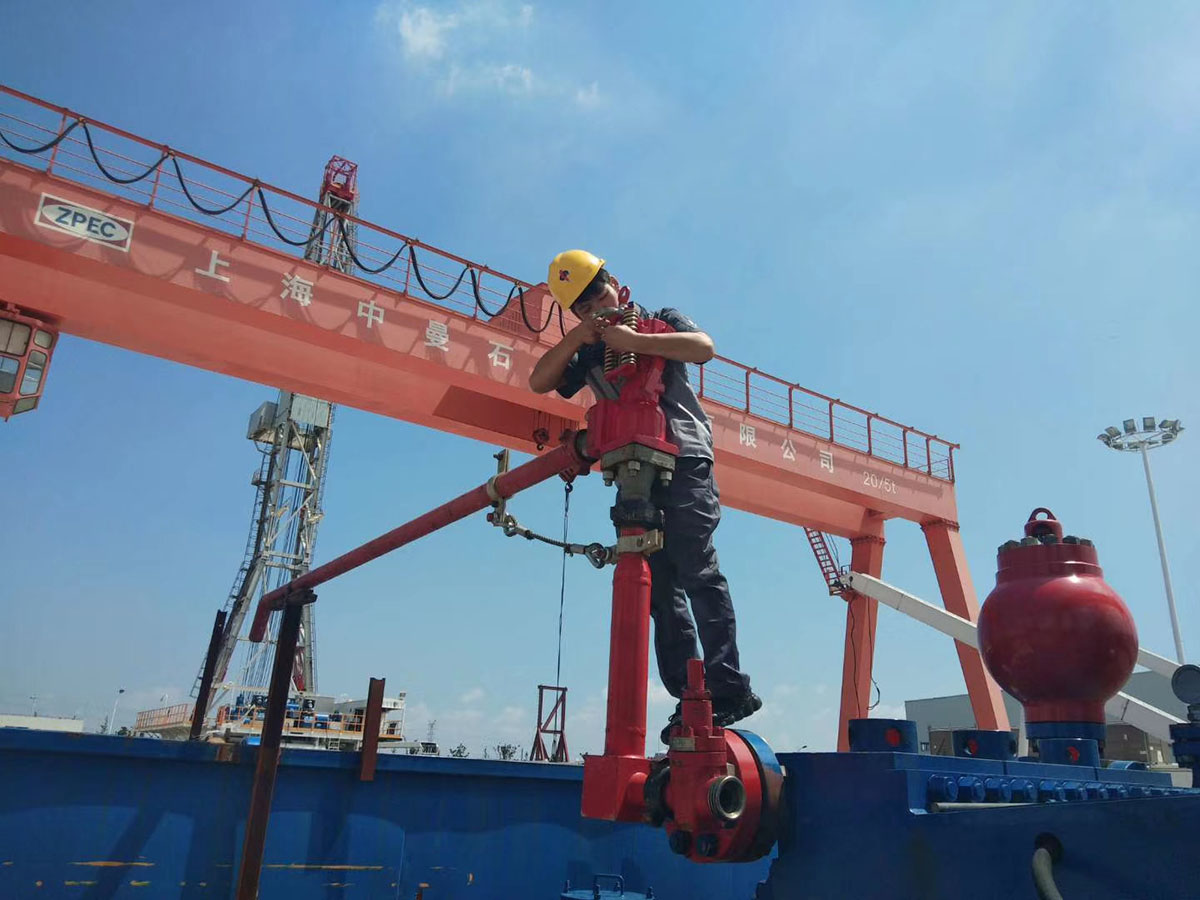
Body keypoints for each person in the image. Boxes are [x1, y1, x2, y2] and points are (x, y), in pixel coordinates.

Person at [528, 249, 761, 743]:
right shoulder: (588, 351)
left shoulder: (660, 320)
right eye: (582, 306)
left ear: (613, 281)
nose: (595, 306)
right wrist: (577, 338)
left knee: (697, 567)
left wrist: (635, 341)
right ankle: (691, 695)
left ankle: (728, 686)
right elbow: (540, 380)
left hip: (685, 456)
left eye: (597, 293)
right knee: (658, 588)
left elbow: (703, 347)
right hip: (635, 469)